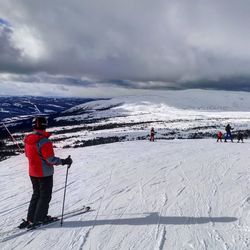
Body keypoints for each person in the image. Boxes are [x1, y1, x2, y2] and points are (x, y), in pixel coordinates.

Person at [19, 116, 72, 229]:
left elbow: (27, 155)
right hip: (44, 173)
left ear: (34, 126)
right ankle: (40, 218)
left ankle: (31, 218)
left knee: (36, 194)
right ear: (44, 125)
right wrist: (64, 161)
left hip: (32, 172)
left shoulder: (28, 139)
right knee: (44, 196)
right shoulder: (44, 141)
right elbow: (50, 159)